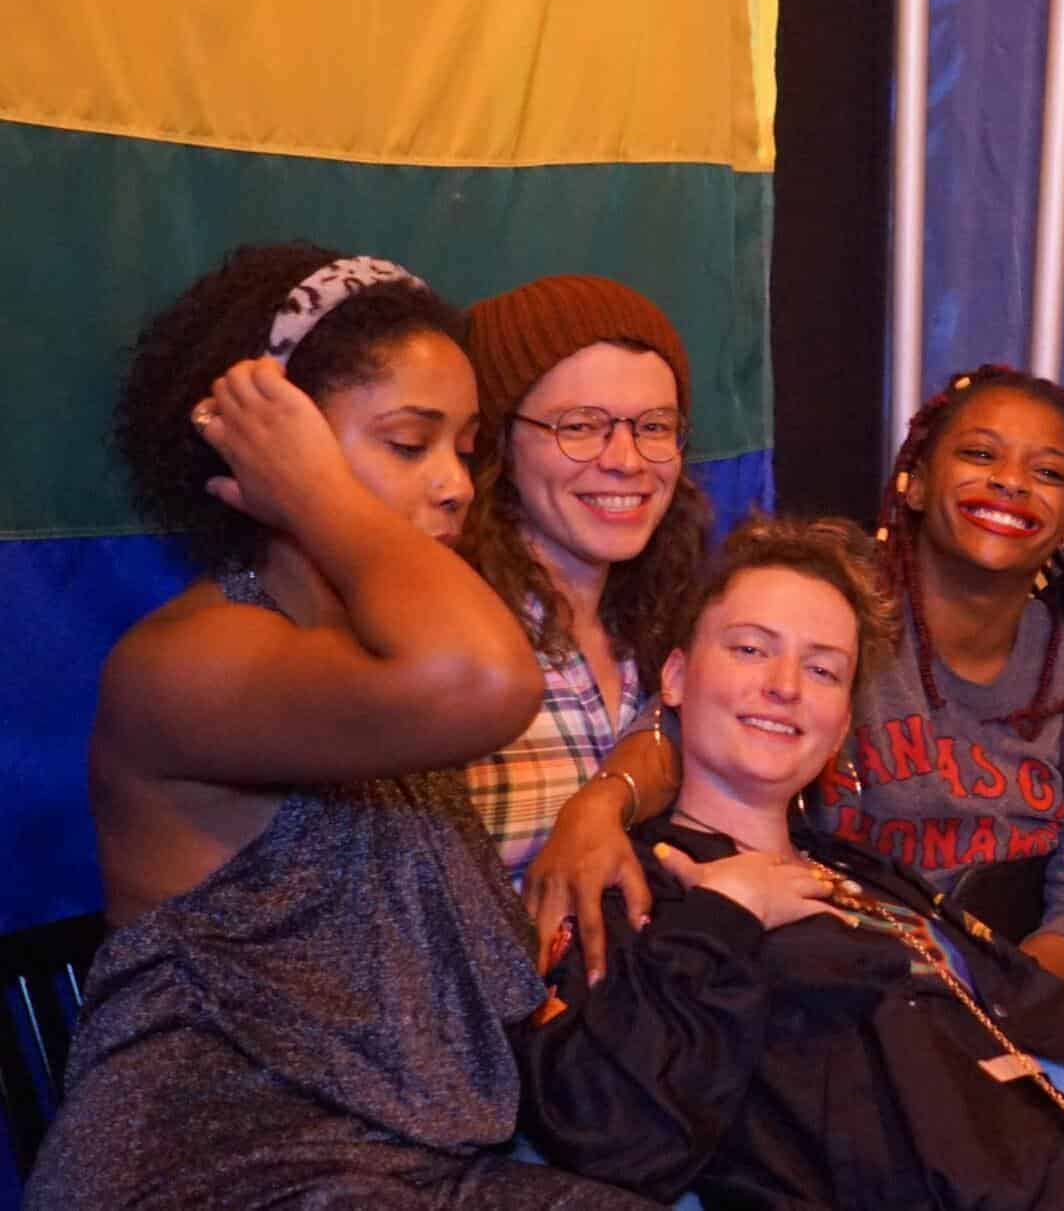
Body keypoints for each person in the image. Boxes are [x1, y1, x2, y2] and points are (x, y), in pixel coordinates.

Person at [29, 244, 646, 1209]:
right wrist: (316, 492)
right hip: (214, 1169)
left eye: (464, 448)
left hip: (410, 1167)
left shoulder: (373, 655)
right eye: (408, 443)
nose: (455, 483)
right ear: (272, 450)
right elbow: (487, 678)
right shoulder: (188, 661)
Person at [535, 368, 1064, 1187]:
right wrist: (601, 802)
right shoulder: (830, 616)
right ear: (913, 481)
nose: (1010, 482)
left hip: (992, 967)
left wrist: (990, 992)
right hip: (855, 976)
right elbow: (694, 729)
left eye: (1047, 471)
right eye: (979, 454)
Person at [458, 274, 712, 889]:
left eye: (654, 427)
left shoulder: (673, 620)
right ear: (498, 444)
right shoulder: (452, 637)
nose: (625, 460)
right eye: (578, 426)